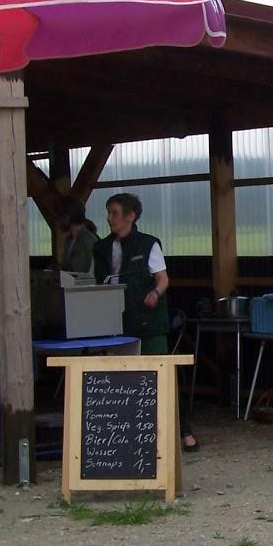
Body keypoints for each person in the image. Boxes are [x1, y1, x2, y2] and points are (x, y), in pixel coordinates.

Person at [92, 191, 199, 452]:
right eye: (108, 213)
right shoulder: (101, 247)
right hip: (116, 322)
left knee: (160, 376)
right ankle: (126, 436)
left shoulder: (149, 243)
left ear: (131, 216)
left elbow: (162, 279)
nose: (109, 218)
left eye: (115, 213)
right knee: (119, 380)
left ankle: (183, 430)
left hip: (149, 323)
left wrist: (154, 293)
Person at [58, 199, 98, 274]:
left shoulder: (87, 240)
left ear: (67, 218)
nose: (57, 221)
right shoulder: (69, 240)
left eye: (59, 217)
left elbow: (81, 271)